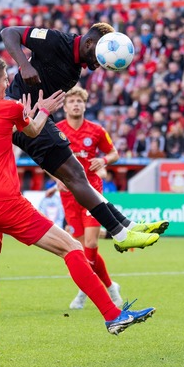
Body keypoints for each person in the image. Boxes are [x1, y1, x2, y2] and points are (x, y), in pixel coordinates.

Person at [0, 57, 156, 367]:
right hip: (5, 202)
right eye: (5, 80)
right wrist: (44, 108)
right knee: (71, 248)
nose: (8, 84)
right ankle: (113, 315)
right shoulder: (7, 107)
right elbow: (33, 132)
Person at [1, 23, 167, 253]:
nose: (97, 66)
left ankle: (126, 226)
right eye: (98, 59)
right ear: (89, 43)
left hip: (36, 117)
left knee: (78, 176)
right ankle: (121, 233)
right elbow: (8, 33)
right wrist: (25, 65)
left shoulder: (75, 70)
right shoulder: (55, 40)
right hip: (22, 114)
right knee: (77, 175)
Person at [53, 86, 124, 310]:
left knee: (91, 243)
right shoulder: (56, 130)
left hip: (91, 190)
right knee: (83, 247)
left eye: (79, 101)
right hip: (68, 195)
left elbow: (114, 153)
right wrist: (55, 177)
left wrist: (103, 161)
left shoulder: (96, 130)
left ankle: (83, 292)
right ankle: (111, 287)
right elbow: (44, 158)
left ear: (84, 105)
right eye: (71, 101)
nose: (76, 104)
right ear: (64, 107)